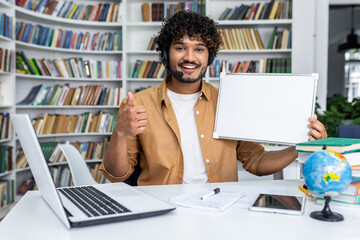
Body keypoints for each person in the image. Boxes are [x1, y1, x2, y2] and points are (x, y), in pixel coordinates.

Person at [100, 11, 327, 185]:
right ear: (166, 53)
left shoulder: (229, 101)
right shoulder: (138, 104)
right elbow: (117, 175)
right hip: (161, 208)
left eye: (199, 49)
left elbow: (256, 161)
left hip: (220, 206)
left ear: (209, 57)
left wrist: (300, 147)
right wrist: (120, 133)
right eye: (180, 48)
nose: (190, 57)